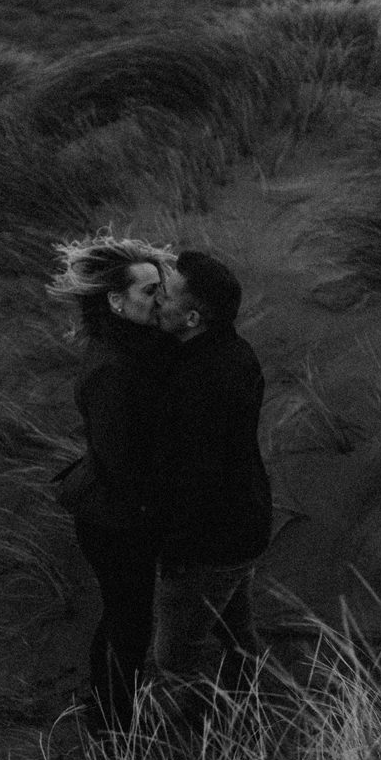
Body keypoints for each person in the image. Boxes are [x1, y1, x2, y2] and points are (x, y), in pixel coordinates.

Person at [46, 234, 176, 736]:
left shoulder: (136, 348)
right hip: (112, 520)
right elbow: (124, 463)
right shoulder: (114, 369)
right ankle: (114, 727)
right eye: (149, 291)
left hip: (119, 512)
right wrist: (154, 521)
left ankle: (109, 711)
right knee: (129, 622)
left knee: (127, 617)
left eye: (162, 286)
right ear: (115, 302)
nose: (161, 297)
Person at [150, 250, 274, 720]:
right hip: (246, 522)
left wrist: (175, 553)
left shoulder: (201, 384)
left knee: (175, 654)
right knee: (233, 624)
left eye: (168, 293)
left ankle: (202, 737)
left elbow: (197, 480)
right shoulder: (230, 351)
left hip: (212, 540)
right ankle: (254, 695)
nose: (159, 298)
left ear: (193, 317)